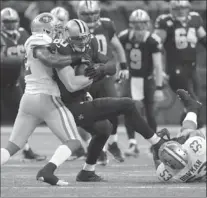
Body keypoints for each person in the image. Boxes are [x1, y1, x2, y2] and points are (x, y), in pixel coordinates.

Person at [36, 19, 168, 184]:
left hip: (79, 100)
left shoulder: (90, 43)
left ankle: (86, 172)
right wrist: (94, 76)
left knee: (104, 128)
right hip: (68, 105)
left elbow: (111, 65)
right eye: (78, 39)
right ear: (68, 37)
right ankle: (157, 143)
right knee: (127, 104)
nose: (83, 42)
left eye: (85, 37)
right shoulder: (61, 50)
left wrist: (102, 69)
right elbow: (71, 86)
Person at [0, 13, 93, 186]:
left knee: (12, 147)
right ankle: (47, 171)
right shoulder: (38, 40)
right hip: (47, 98)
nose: (58, 32)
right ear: (45, 29)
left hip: (28, 99)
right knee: (73, 142)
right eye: (55, 28)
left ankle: (47, 171)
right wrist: (77, 57)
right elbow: (50, 60)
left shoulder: (40, 40)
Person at [77, 0, 129, 164]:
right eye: (86, 14)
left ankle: (112, 143)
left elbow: (117, 46)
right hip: (83, 77)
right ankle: (95, 149)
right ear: (79, 15)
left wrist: (124, 67)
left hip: (104, 74)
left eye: (93, 13)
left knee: (113, 110)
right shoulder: (74, 27)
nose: (91, 16)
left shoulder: (106, 25)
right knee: (84, 115)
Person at [0, 7, 46, 161]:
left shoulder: (24, 34)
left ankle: (26, 149)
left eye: (13, 21)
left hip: (12, 82)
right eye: (7, 22)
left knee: (23, 116)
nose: (11, 24)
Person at [118, 9, 165, 157]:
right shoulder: (124, 37)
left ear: (147, 24)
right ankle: (133, 143)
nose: (139, 27)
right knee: (128, 110)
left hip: (147, 79)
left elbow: (158, 65)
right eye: (136, 24)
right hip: (131, 78)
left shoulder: (152, 40)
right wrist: (119, 75)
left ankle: (155, 144)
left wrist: (159, 87)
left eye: (142, 24)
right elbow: (119, 56)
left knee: (150, 113)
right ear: (131, 24)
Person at [154, 0, 206, 126]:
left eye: (183, 8)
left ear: (188, 8)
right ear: (171, 9)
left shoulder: (194, 19)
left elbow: (204, 39)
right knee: (193, 102)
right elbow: (154, 46)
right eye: (177, 9)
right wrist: (159, 70)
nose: (180, 11)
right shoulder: (165, 22)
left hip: (192, 68)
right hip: (175, 69)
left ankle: (187, 124)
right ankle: (191, 128)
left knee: (196, 101)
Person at [154, 89, 206, 183]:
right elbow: (197, 134)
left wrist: (155, 149)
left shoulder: (170, 176)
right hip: (200, 161)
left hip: (198, 175)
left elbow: (158, 167)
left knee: (185, 132)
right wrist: (182, 138)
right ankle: (193, 108)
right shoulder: (196, 148)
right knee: (187, 131)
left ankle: (193, 108)